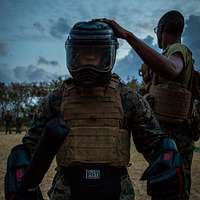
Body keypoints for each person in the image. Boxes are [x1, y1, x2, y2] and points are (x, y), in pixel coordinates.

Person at [18, 21, 184, 200]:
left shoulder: (127, 97)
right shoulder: (57, 99)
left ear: (108, 56)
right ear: (73, 55)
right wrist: (19, 167)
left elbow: (154, 142)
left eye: (95, 56)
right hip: (66, 191)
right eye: (83, 56)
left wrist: (166, 157)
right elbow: (30, 147)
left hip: (118, 191)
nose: (89, 63)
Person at [98, 10, 195, 200]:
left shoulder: (179, 50)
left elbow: (172, 69)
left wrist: (128, 36)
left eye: (156, 30)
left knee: (173, 189)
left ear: (162, 30)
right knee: (163, 189)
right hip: (164, 136)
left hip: (175, 138)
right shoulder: (167, 53)